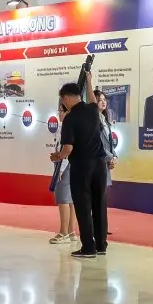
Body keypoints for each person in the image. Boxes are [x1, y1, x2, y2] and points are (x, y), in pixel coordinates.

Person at [50, 81, 108, 258]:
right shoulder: (93, 110)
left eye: (63, 101)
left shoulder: (70, 118)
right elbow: (92, 99)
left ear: (66, 98)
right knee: (99, 205)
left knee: (83, 207)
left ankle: (88, 247)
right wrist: (89, 80)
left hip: (82, 167)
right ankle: (101, 245)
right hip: (100, 166)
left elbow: (68, 148)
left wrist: (58, 156)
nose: (63, 105)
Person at [44, 99, 74, 245]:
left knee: (63, 200)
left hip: (65, 167)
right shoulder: (70, 126)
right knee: (70, 200)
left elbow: (67, 150)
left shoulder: (68, 127)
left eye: (60, 111)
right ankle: (71, 231)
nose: (58, 114)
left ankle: (64, 232)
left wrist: (60, 169)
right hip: (69, 166)